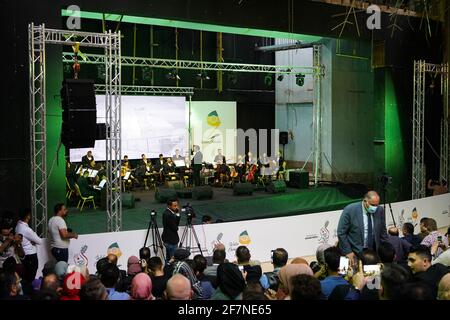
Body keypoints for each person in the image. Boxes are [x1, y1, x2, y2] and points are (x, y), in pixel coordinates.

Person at [337, 191, 388, 265]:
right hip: (354, 252)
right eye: (373, 205)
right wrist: (348, 251)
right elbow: (341, 232)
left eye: (377, 205)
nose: (375, 207)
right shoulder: (350, 210)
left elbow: (383, 231)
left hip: (374, 252)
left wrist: (386, 250)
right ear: (365, 201)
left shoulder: (380, 210)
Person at [15, 210, 43, 284]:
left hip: (24, 255)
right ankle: (30, 294)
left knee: (26, 277)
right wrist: (33, 238)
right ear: (28, 216)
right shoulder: (27, 229)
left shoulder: (18, 225)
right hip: (30, 256)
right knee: (30, 278)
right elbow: (39, 241)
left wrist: (32, 240)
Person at [161, 199, 181, 263]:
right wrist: (177, 215)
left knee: (168, 258)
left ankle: (167, 271)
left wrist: (177, 213)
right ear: (169, 206)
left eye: (177, 205)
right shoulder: (169, 215)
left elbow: (175, 225)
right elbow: (175, 228)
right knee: (174, 260)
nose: (176, 207)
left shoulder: (167, 213)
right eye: (174, 206)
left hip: (168, 239)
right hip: (171, 241)